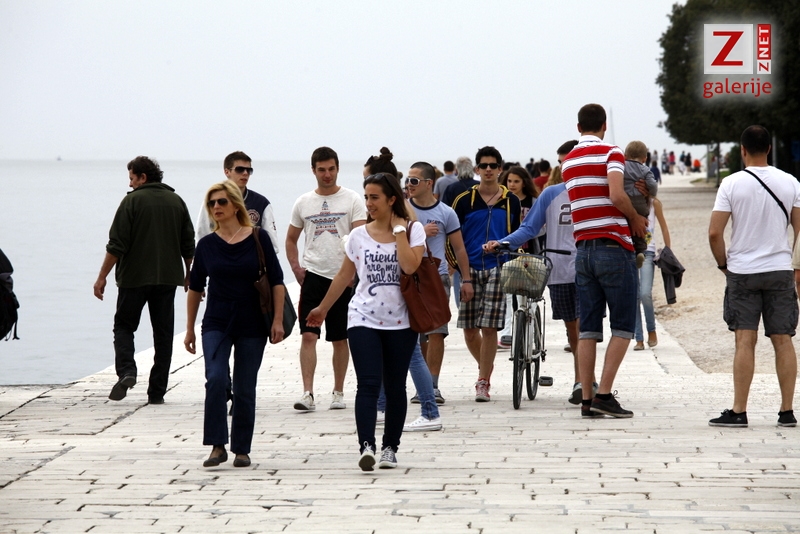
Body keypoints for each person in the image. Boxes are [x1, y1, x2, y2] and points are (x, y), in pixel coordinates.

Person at [306, 173, 425, 471]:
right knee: (368, 384)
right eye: (366, 197)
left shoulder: (413, 230)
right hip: (363, 318)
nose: (368, 203)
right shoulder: (358, 236)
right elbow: (344, 276)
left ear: (392, 199)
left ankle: (390, 448)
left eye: (374, 197)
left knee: (395, 386)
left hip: (402, 321)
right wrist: (322, 308)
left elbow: (410, 266)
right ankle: (366, 446)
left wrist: (399, 231)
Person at [484, 145, 597, 404]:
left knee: (583, 326)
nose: (565, 167)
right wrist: (503, 242)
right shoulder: (550, 194)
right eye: (561, 162)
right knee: (572, 328)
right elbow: (529, 228)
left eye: (569, 161)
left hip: (589, 267)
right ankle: (584, 377)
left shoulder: (597, 191)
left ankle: (582, 381)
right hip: (559, 269)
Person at [185, 181, 285, 468]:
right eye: (211, 203)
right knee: (216, 379)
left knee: (244, 387)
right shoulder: (206, 245)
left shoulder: (258, 238)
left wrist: (278, 320)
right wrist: (189, 328)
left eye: (221, 202)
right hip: (216, 322)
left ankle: (242, 449)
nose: (216, 207)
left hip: (253, 323)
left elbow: (277, 281)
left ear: (235, 205)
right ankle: (217, 445)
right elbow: (195, 287)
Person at [708, 125, 800, 428]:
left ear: (742, 150)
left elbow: (715, 233)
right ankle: (787, 411)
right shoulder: (790, 182)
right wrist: (795, 266)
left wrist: (723, 265)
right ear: (769, 149)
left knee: (744, 340)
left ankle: (739, 410)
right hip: (779, 269)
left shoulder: (731, 184)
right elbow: (799, 231)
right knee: (783, 340)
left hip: (743, 271)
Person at [561, 104, 647, 419]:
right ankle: (605, 394)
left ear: (578, 127)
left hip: (583, 250)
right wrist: (635, 218)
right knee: (623, 324)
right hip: (613, 246)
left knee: (588, 328)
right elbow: (616, 194)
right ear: (604, 125)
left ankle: (586, 398)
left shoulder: (568, 161)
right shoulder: (612, 152)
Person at [93, 156, 195, 404]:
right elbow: (188, 243)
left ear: (143, 177)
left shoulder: (131, 202)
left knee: (124, 326)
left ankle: (127, 371)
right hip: (167, 279)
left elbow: (116, 245)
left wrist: (102, 277)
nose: (130, 184)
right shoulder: (177, 201)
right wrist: (188, 273)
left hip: (134, 278)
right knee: (163, 335)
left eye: (131, 178)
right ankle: (157, 392)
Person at [285, 147, 367, 412]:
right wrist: (296, 268)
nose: (327, 174)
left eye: (331, 169)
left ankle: (338, 392)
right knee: (308, 335)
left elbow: (360, 238)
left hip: (343, 279)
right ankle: (307, 393)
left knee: (339, 338)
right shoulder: (303, 202)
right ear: (313, 170)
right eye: (321, 169)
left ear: (338, 168)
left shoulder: (352, 199)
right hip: (313, 275)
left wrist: (355, 272)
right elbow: (291, 239)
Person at [403, 161, 473, 424]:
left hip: (437, 276)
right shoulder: (402, 210)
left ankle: (433, 385)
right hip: (409, 276)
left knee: (437, 331)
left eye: (414, 180)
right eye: (407, 180)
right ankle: (420, 385)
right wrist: (418, 231)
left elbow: (459, 248)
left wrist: (466, 279)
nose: (409, 185)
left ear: (429, 183)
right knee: (414, 333)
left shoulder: (446, 212)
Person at [450, 146, 521, 401]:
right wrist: (458, 269)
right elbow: (452, 238)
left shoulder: (511, 201)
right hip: (468, 268)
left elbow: (516, 234)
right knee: (469, 330)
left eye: (493, 165)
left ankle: (482, 380)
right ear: (476, 169)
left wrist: (512, 257)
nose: (488, 170)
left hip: (497, 267)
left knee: (489, 327)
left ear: (500, 169)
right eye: (484, 165)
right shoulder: (463, 201)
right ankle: (486, 366)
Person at [196, 151, 279, 255]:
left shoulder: (261, 203)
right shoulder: (212, 202)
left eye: (249, 170)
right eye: (240, 169)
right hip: (219, 258)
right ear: (227, 172)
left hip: (251, 261)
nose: (245, 173)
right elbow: (201, 234)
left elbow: (272, 245)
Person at [497, 166, 539, 348]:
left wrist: (526, 229)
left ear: (524, 183)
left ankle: (532, 333)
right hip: (508, 254)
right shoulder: (503, 200)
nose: (512, 185)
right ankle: (507, 333)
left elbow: (542, 227)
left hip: (530, 253)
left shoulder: (534, 201)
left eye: (516, 181)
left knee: (530, 295)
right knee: (508, 294)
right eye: (509, 181)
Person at [633, 197, 671, 351]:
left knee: (645, 293)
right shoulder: (627, 200)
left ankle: (651, 330)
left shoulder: (654, 203)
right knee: (634, 296)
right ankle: (639, 338)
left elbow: (664, 227)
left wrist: (668, 251)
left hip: (648, 252)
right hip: (629, 251)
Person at [623, 141, 659, 268]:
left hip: (625, 202)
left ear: (625, 156)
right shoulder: (645, 169)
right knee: (642, 228)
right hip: (640, 204)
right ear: (645, 158)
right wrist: (651, 193)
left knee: (626, 224)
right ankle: (640, 251)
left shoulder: (622, 167)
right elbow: (653, 185)